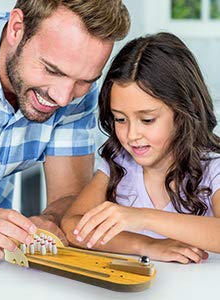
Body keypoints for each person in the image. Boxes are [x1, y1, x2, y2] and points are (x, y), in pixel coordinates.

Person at [0, 1, 130, 263]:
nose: (63, 98)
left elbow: (69, 198)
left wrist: (48, 222)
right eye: (52, 70)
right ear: (17, 28)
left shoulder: (72, 92)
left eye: (84, 81)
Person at [61, 32, 220, 264]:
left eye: (147, 120)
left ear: (185, 110)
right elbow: (72, 225)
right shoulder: (119, 163)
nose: (132, 136)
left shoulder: (212, 167)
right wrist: (147, 244)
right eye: (120, 119)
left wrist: (142, 218)